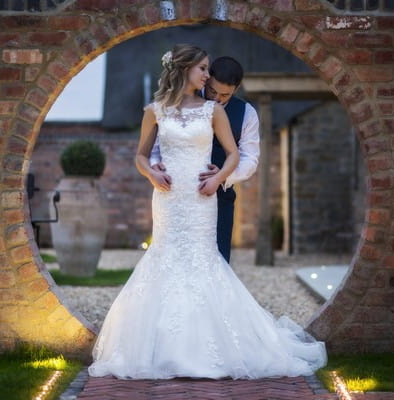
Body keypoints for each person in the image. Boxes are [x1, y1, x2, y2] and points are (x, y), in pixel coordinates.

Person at [88, 44, 326, 380]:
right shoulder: (156, 110)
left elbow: (245, 158)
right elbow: (145, 154)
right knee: (166, 260)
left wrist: (219, 178)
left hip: (210, 196)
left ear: (234, 90)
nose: (212, 91)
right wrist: (153, 171)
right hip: (169, 199)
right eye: (205, 75)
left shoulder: (232, 113)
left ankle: (215, 344)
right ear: (187, 71)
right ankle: (164, 347)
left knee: (211, 263)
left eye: (220, 90)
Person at [150, 56, 260, 263]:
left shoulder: (247, 114)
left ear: (236, 89)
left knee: (216, 261)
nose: (217, 99)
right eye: (212, 91)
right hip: (176, 194)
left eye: (225, 94)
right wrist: (156, 168)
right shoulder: (179, 103)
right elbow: (157, 144)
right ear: (206, 80)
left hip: (220, 197)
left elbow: (250, 158)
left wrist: (222, 177)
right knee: (173, 259)